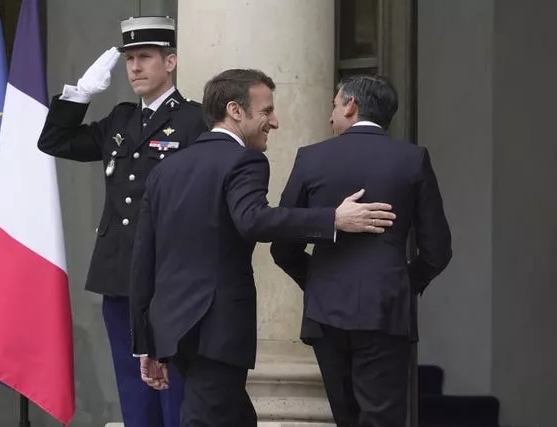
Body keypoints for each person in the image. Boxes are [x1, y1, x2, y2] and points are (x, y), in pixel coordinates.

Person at [128, 68, 398, 427]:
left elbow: (143, 256)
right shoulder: (245, 160)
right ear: (235, 111)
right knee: (207, 418)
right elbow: (252, 219)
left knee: (235, 416)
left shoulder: (167, 169)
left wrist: (144, 340)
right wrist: (331, 218)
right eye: (267, 110)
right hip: (216, 326)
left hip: (173, 327)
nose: (275, 121)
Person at [37, 16, 206, 427]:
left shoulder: (195, 120)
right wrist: (78, 95)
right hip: (119, 273)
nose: (134, 67)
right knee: (132, 385)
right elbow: (54, 142)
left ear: (171, 62)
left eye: (145, 57)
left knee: (174, 384)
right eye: (130, 58)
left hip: (169, 273)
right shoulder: (120, 119)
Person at [270, 74, 452, 427]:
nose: (330, 115)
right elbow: (437, 250)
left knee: (345, 418)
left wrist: (319, 281)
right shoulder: (412, 159)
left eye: (334, 105)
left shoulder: (311, 158)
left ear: (351, 105)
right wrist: (401, 284)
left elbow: (283, 245)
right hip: (386, 308)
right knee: (382, 418)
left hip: (325, 311)